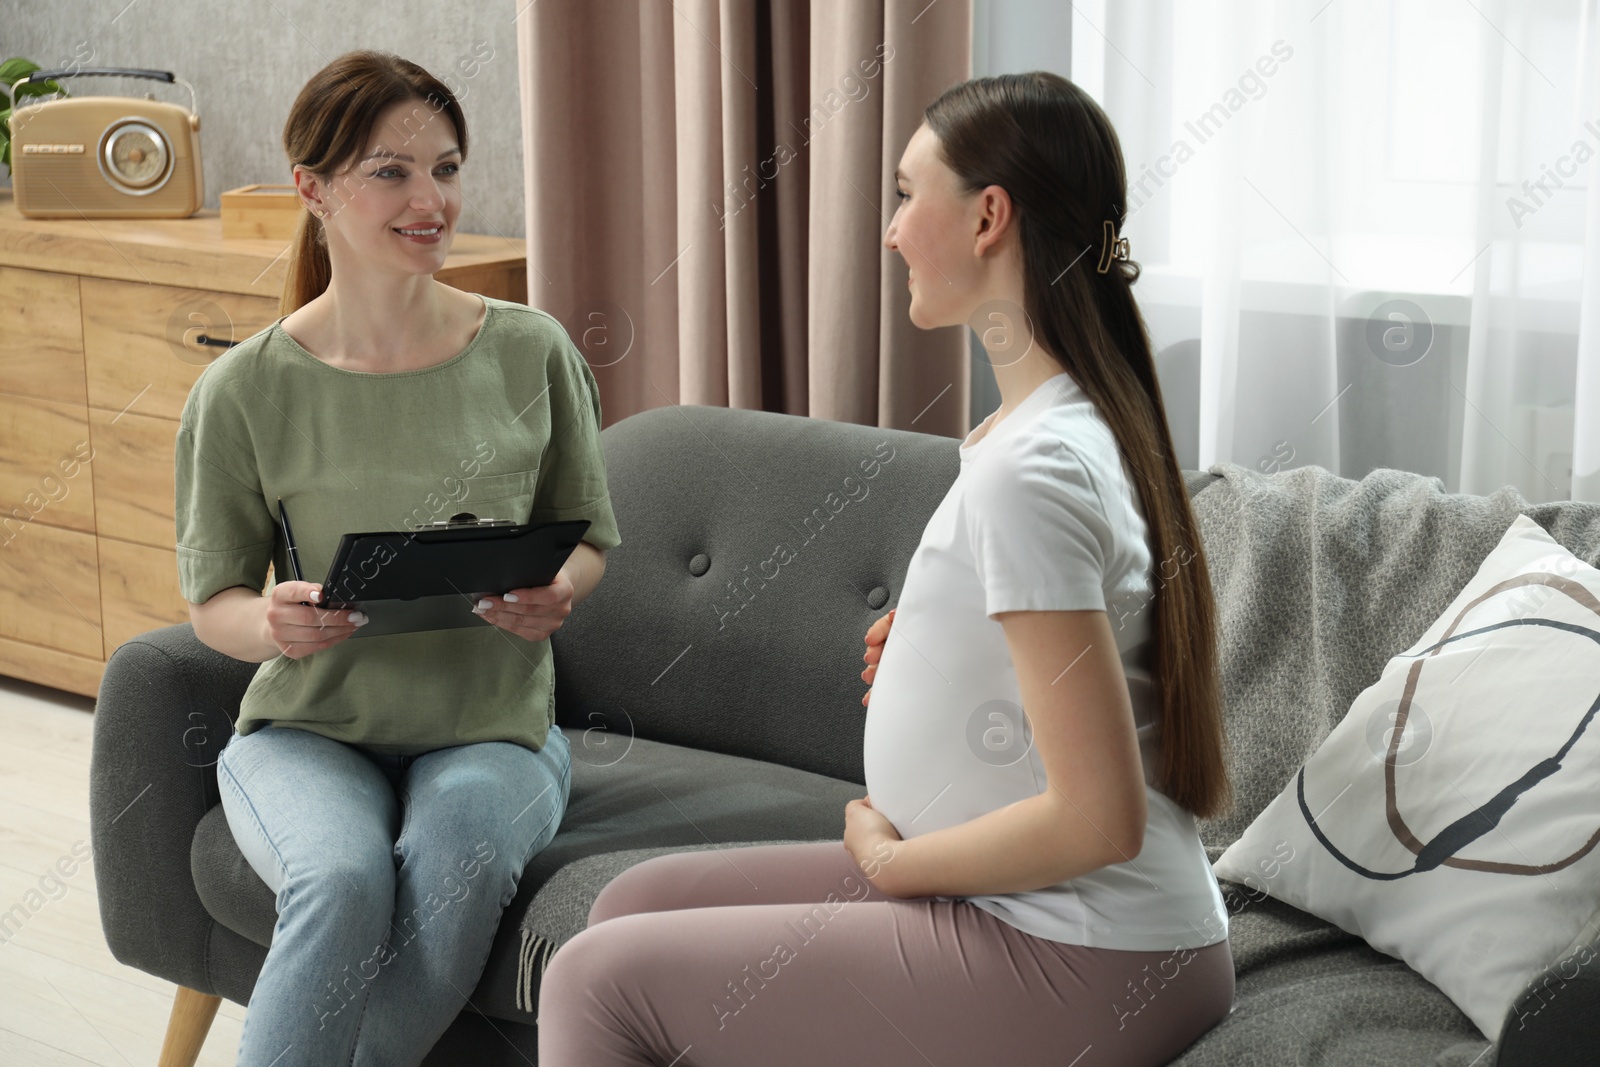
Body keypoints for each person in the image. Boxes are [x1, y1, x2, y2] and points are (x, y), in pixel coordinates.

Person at [537, 71, 1234, 1067]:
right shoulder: (1043, 427)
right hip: (1064, 918)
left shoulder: (1033, 469)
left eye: (910, 194)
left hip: (1083, 947)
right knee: (627, 901)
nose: (892, 228)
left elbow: (1099, 816)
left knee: (596, 979)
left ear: (990, 215)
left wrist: (893, 860)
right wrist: (942, 649)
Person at [176, 50, 621, 1067]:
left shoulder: (533, 350)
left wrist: (558, 589)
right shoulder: (243, 392)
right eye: (392, 172)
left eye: (448, 170)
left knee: (460, 848)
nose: (432, 200)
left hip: (493, 726)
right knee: (338, 877)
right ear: (313, 187)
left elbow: (588, 535)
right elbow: (214, 601)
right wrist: (272, 621)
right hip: (305, 729)